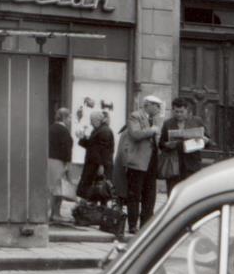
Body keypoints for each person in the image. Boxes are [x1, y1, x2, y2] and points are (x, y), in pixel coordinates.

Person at [124, 95, 163, 234]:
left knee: (150, 194)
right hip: (137, 161)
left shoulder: (157, 120)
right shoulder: (135, 116)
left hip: (152, 161)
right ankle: (133, 225)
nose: (159, 109)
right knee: (135, 194)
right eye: (156, 106)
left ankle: (146, 224)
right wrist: (152, 130)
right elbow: (135, 134)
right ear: (148, 105)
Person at [159, 97, 211, 196]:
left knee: (191, 194)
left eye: (181, 112)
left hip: (192, 163)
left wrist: (205, 140)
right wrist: (167, 145)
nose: (179, 114)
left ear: (187, 110)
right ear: (173, 110)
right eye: (176, 112)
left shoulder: (197, 121)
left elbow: (208, 141)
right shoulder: (168, 123)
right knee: (173, 194)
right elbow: (161, 144)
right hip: (174, 165)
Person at [76, 110, 115, 202]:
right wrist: (82, 138)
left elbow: (102, 151)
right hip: (94, 165)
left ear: (98, 120)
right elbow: (92, 146)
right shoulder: (99, 129)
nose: (90, 123)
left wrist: (101, 165)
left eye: (92, 120)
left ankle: (97, 212)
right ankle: (94, 211)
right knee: (95, 192)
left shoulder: (104, 131)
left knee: (99, 191)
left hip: (97, 166)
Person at [47, 107, 72, 224]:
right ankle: (55, 214)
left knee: (51, 188)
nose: (70, 120)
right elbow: (66, 149)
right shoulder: (64, 130)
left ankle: (51, 213)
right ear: (64, 117)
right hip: (59, 162)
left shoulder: (51, 128)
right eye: (69, 117)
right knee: (58, 189)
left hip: (49, 160)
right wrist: (67, 164)